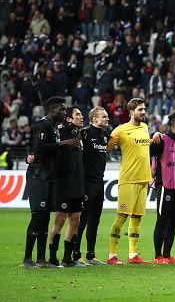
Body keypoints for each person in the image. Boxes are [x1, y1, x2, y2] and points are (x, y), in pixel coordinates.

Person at [23, 96, 78, 269]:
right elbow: (39, 147)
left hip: (49, 177)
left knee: (46, 216)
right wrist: (63, 143)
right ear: (52, 110)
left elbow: (39, 150)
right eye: (62, 109)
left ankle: (41, 259)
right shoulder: (44, 124)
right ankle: (27, 259)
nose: (64, 112)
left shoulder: (53, 127)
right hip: (38, 176)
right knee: (38, 215)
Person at [106, 98, 157, 265]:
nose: (143, 112)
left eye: (144, 109)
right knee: (121, 217)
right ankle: (112, 255)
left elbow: (143, 146)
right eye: (140, 110)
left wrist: (153, 138)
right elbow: (106, 147)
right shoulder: (121, 130)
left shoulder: (144, 127)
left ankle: (133, 255)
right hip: (128, 179)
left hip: (144, 179)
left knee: (137, 218)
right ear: (131, 112)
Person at [48, 105, 86, 267]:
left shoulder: (79, 134)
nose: (81, 116)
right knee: (60, 219)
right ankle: (52, 257)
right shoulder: (62, 134)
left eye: (82, 114)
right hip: (63, 184)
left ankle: (67, 258)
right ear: (69, 118)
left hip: (77, 185)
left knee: (75, 220)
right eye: (78, 114)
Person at [73, 106, 110, 265]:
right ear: (94, 119)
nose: (107, 119)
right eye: (104, 117)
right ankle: (75, 253)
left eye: (107, 116)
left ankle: (91, 255)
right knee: (82, 220)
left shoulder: (105, 135)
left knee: (95, 219)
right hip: (86, 183)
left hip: (99, 183)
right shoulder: (85, 133)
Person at [151, 111, 175, 264]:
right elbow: (149, 153)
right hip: (165, 186)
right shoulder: (162, 140)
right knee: (162, 221)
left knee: (173, 221)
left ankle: (167, 255)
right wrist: (154, 136)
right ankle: (158, 256)